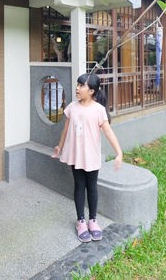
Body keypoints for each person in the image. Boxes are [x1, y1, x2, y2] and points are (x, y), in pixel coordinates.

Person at [52, 72, 123, 243]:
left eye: (81, 85)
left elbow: (108, 131)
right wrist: (60, 146)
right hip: (75, 155)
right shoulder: (71, 107)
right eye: (77, 85)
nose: (77, 88)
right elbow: (65, 129)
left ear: (91, 91)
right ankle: (81, 221)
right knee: (79, 186)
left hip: (91, 156)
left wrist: (119, 152)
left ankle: (93, 220)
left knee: (92, 187)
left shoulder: (99, 110)